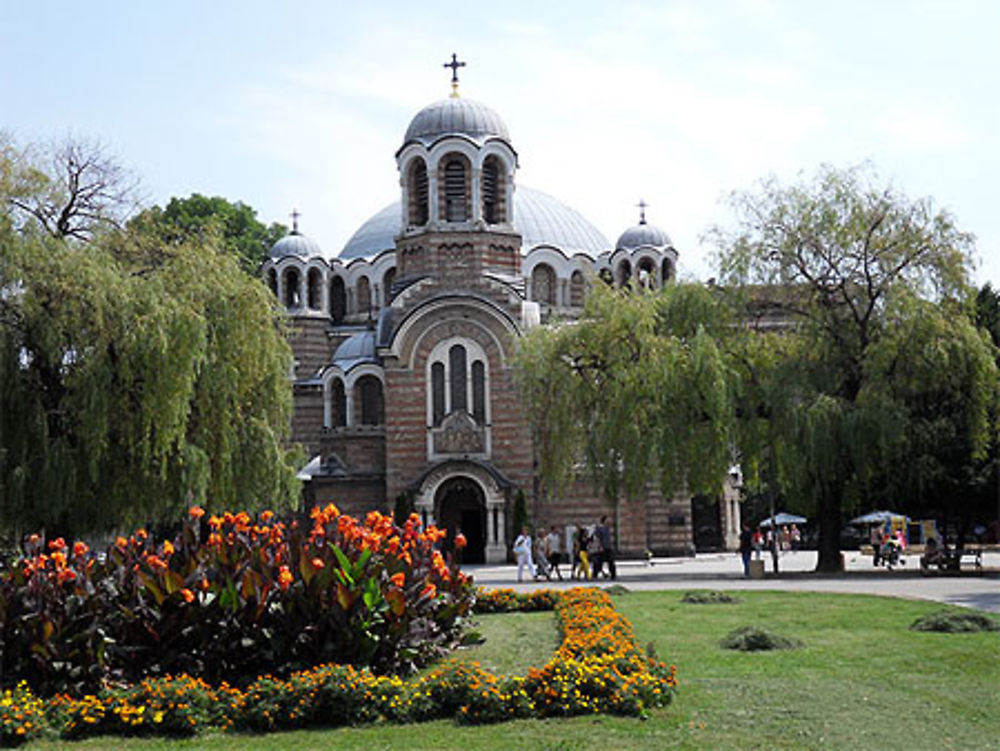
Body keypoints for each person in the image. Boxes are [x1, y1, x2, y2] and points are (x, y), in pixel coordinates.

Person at [596, 515, 616, 580]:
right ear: (604, 521)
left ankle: (613, 574)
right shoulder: (600, 528)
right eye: (607, 520)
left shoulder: (607, 528)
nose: (609, 521)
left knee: (611, 561)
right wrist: (600, 546)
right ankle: (595, 573)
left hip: (608, 547)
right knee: (599, 562)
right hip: (603, 547)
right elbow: (598, 538)